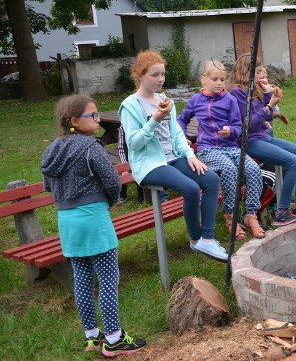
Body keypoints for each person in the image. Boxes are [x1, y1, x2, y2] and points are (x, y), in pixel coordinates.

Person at [41, 95, 146, 357]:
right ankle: (114, 338)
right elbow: (113, 181)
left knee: (82, 279)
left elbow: (48, 185)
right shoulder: (91, 148)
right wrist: (106, 203)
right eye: (93, 115)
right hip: (94, 219)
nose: (98, 119)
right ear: (75, 121)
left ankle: (92, 336)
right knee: (108, 279)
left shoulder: (52, 150)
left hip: (67, 222)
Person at [119, 50, 226, 261]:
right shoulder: (130, 105)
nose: (160, 79)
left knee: (211, 179)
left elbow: (177, 135)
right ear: (140, 75)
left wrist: (190, 155)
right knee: (191, 188)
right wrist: (155, 119)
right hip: (149, 165)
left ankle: (208, 238)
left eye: (163, 74)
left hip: (173, 157)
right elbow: (134, 144)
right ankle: (196, 241)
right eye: (155, 75)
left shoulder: (166, 100)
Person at [178, 60, 265, 240]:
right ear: (204, 80)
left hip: (231, 148)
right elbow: (181, 120)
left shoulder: (230, 100)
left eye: (222, 80)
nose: (219, 83)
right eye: (215, 79)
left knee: (253, 169)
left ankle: (250, 215)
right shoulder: (196, 100)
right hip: (208, 150)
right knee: (229, 170)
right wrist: (183, 137)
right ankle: (230, 216)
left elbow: (239, 127)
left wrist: (230, 131)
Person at [228, 53, 296, 226]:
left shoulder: (255, 90)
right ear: (247, 72)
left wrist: (269, 96)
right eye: (258, 72)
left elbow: (266, 118)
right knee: (295, 162)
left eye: (263, 72)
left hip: (263, 137)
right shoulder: (237, 93)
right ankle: (281, 212)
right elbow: (247, 125)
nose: (262, 75)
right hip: (249, 142)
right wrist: (269, 105)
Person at [116, 125, 168, 205]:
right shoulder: (124, 127)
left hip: (145, 156)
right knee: (126, 170)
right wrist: (125, 166)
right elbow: (121, 149)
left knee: (142, 168)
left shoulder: (146, 123)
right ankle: (122, 194)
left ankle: (142, 198)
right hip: (129, 156)